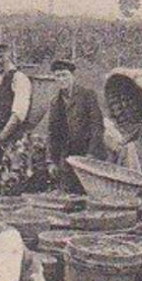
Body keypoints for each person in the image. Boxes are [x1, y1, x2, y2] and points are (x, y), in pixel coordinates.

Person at [46, 58, 107, 192]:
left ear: (72, 76)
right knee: (69, 193)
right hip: (68, 155)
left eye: (64, 75)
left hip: (89, 151)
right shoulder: (55, 102)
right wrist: (51, 161)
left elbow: (97, 126)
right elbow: (52, 134)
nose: (61, 79)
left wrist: (92, 154)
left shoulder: (87, 95)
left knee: (93, 191)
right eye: (58, 76)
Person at [0, 42, 33, 164]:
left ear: (8, 56)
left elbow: (18, 115)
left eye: (0, 56)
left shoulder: (19, 79)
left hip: (12, 140)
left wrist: (0, 138)